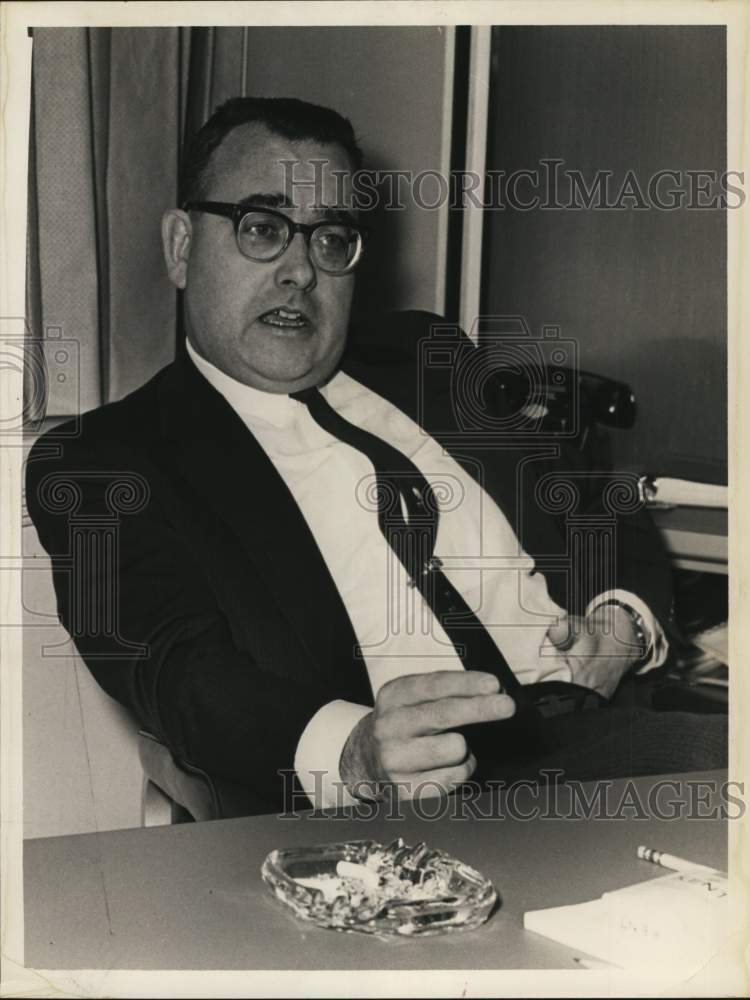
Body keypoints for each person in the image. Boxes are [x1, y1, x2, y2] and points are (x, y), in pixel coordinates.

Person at [26, 97, 726, 817]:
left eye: (331, 239)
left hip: (609, 737)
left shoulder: (429, 358)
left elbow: (594, 503)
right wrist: (357, 752)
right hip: (403, 807)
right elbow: (178, 673)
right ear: (181, 246)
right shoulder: (102, 461)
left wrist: (622, 625)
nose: (301, 271)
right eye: (262, 229)